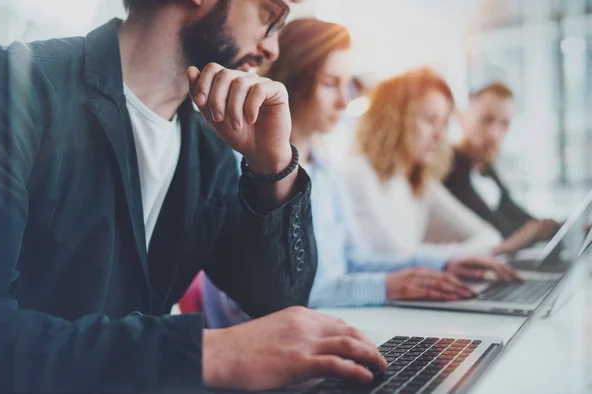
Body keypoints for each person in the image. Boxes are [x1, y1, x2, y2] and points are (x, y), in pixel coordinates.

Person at [0, 0, 388, 392]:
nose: (272, 49)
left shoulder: (210, 149)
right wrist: (207, 352)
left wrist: (275, 167)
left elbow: (280, 302)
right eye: (269, 14)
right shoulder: (12, 83)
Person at [194, 19, 520, 329]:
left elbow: (354, 259)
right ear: (292, 80)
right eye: (329, 84)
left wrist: (441, 265)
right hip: (273, 350)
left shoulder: (327, 171)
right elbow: (270, 298)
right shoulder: (245, 169)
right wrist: (384, 287)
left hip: (334, 322)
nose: (344, 100)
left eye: (347, 85)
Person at [344, 68, 530, 264]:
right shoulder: (358, 174)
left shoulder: (421, 184)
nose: (439, 136)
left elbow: (490, 238)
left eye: (442, 124)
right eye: (430, 120)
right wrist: (456, 256)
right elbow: (392, 257)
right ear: (395, 119)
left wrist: (433, 255)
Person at [445, 82, 560, 246]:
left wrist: (557, 228)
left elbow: (515, 213)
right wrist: (532, 231)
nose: (494, 134)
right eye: (486, 120)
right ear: (463, 119)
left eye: (504, 124)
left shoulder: (486, 169)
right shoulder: (450, 168)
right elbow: (492, 227)